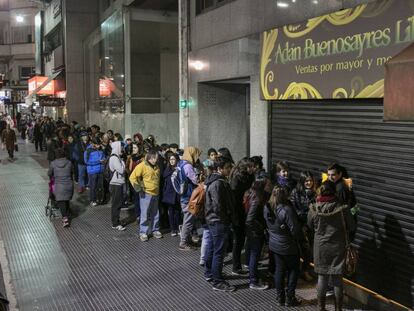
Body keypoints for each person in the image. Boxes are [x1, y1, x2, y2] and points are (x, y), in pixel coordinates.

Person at [307, 181, 356, 311]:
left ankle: (321, 307)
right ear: (334, 191)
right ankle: (338, 308)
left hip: (320, 247)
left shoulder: (313, 208)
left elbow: (309, 225)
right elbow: (351, 227)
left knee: (322, 277)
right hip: (338, 247)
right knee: (337, 278)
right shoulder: (343, 208)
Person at [265, 186, 303, 307]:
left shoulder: (267, 207)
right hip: (288, 246)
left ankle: (280, 297)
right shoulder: (287, 210)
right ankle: (290, 298)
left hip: (274, 244)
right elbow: (295, 231)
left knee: (279, 271)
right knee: (293, 270)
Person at [204, 157, 236, 292]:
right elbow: (218, 206)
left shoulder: (213, 180)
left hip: (212, 220)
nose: (229, 170)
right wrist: (227, 219)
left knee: (212, 248)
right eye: (227, 168)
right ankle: (217, 281)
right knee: (219, 252)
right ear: (219, 169)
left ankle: (210, 273)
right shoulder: (218, 184)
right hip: (218, 221)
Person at [245, 177, 272, 290]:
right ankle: (253, 281)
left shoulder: (251, 193)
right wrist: (261, 227)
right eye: (268, 184)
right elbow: (250, 219)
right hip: (255, 232)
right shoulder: (257, 198)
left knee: (253, 254)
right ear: (262, 185)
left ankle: (253, 277)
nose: (270, 186)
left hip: (252, 231)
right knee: (255, 255)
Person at [129, 149, 162, 242]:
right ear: (150, 157)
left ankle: (155, 229)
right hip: (146, 193)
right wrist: (139, 189)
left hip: (155, 193)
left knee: (155, 213)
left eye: (156, 158)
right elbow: (132, 177)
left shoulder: (156, 167)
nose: (156, 160)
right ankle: (143, 232)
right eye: (154, 158)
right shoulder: (142, 165)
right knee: (144, 213)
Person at [229, 157, 254, 275]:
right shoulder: (237, 178)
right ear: (245, 167)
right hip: (238, 212)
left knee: (241, 238)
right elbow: (233, 198)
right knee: (238, 240)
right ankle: (236, 266)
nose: (253, 168)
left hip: (245, 210)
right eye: (251, 166)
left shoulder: (248, 176)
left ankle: (243, 263)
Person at [290, 171, 317, 281]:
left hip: (311, 226)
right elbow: (292, 209)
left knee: (309, 251)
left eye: (310, 180)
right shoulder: (296, 192)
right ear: (302, 181)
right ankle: (295, 271)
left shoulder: (315, 193)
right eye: (306, 181)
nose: (309, 183)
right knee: (300, 250)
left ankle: (304, 270)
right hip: (300, 225)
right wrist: (306, 213)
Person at [178, 146, 201, 250]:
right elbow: (195, 180)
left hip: (184, 196)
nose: (197, 156)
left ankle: (187, 240)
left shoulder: (181, 163)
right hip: (189, 197)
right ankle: (183, 243)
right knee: (188, 220)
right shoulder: (188, 166)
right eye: (196, 154)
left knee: (187, 219)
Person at [48, 148, 74, 227]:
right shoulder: (69, 163)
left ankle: (65, 219)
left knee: (61, 202)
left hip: (59, 185)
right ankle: (67, 213)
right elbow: (72, 172)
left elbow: (49, 173)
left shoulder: (53, 163)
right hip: (69, 184)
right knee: (66, 199)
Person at [161, 152, 181, 236]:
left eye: (173, 159)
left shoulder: (179, 169)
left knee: (178, 212)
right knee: (171, 212)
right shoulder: (167, 170)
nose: (172, 161)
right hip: (169, 194)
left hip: (177, 194)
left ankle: (178, 228)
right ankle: (173, 229)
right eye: (170, 159)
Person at [108, 141, 126, 231]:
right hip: (115, 184)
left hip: (118, 183)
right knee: (116, 204)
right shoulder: (114, 158)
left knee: (117, 203)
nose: (123, 148)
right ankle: (115, 223)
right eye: (121, 147)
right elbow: (121, 170)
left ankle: (117, 221)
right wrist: (123, 162)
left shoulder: (117, 157)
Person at [84, 138, 105, 206]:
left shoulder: (101, 149)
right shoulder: (88, 150)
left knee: (100, 186)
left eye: (99, 144)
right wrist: (98, 162)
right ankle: (93, 200)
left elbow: (104, 157)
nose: (99, 146)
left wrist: (104, 160)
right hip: (92, 171)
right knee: (93, 186)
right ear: (93, 144)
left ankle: (100, 199)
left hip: (100, 170)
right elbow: (87, 162)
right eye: (97, 145)